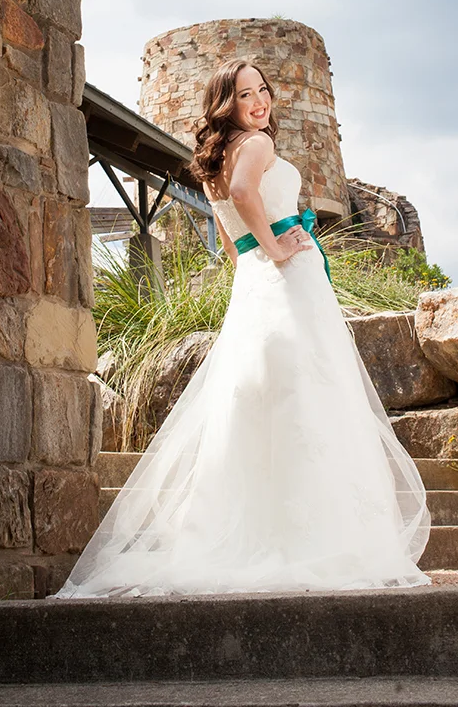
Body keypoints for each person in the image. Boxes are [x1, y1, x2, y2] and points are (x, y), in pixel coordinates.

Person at [50, 58, 431, 599]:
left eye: (263, 91)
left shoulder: (211, 164)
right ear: (224, 103)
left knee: (260, 405)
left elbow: (230, 243)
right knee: (310, 397)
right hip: (283, 277)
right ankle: (319, 538)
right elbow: (250, 197)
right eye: (244, 94)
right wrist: (279, 250)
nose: (259, 103)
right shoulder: (255, 146)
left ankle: (254, 533)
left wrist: (259, 261)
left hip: (253, 287)